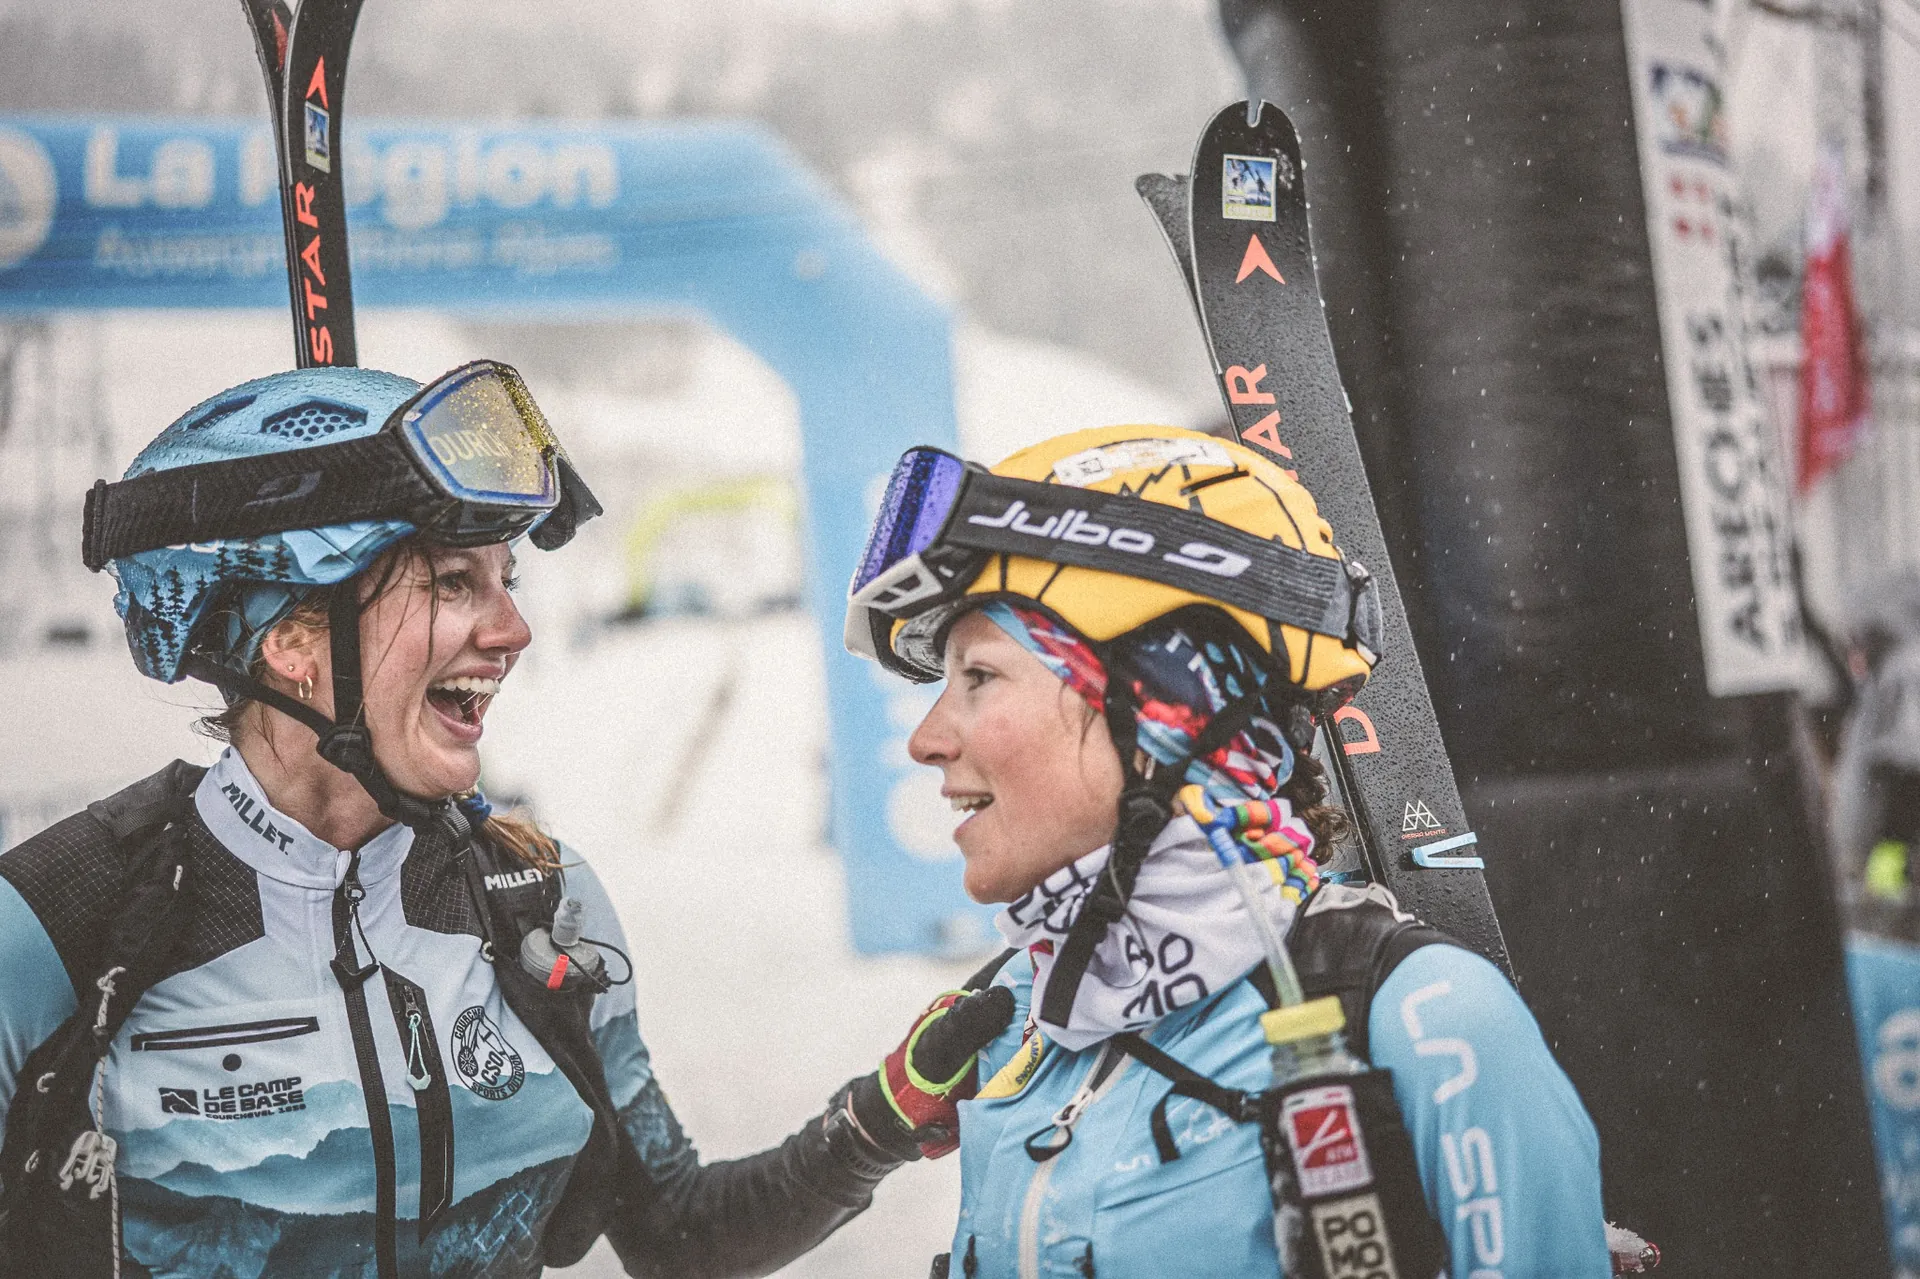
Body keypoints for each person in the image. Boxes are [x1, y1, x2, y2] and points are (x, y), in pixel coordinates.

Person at [0, 362, 1011, 1278]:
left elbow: (679, 1232)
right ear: (291, 638)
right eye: (453, 583)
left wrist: (883, 1116)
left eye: (506, 580)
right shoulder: (63, 923)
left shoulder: (534, 900)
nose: (513, 629)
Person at [844, 424, 1611, 1277]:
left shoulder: (1427, 1021)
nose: (925, 738)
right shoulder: (1021, 1020)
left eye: (978, 676)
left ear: (1162, 709)